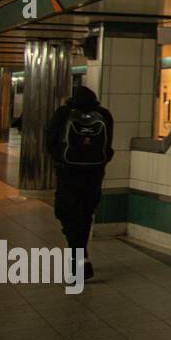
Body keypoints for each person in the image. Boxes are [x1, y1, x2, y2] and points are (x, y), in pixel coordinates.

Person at [45, 85, 114, 280]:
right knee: (85, 215)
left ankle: (79, 260)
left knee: (68, 214)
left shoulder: (63, 113)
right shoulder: (104, 115)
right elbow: (107, 148)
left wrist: (62, 160)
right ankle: (81, 258)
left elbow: (51, 143)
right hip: (94, 174)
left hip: (69, 174)